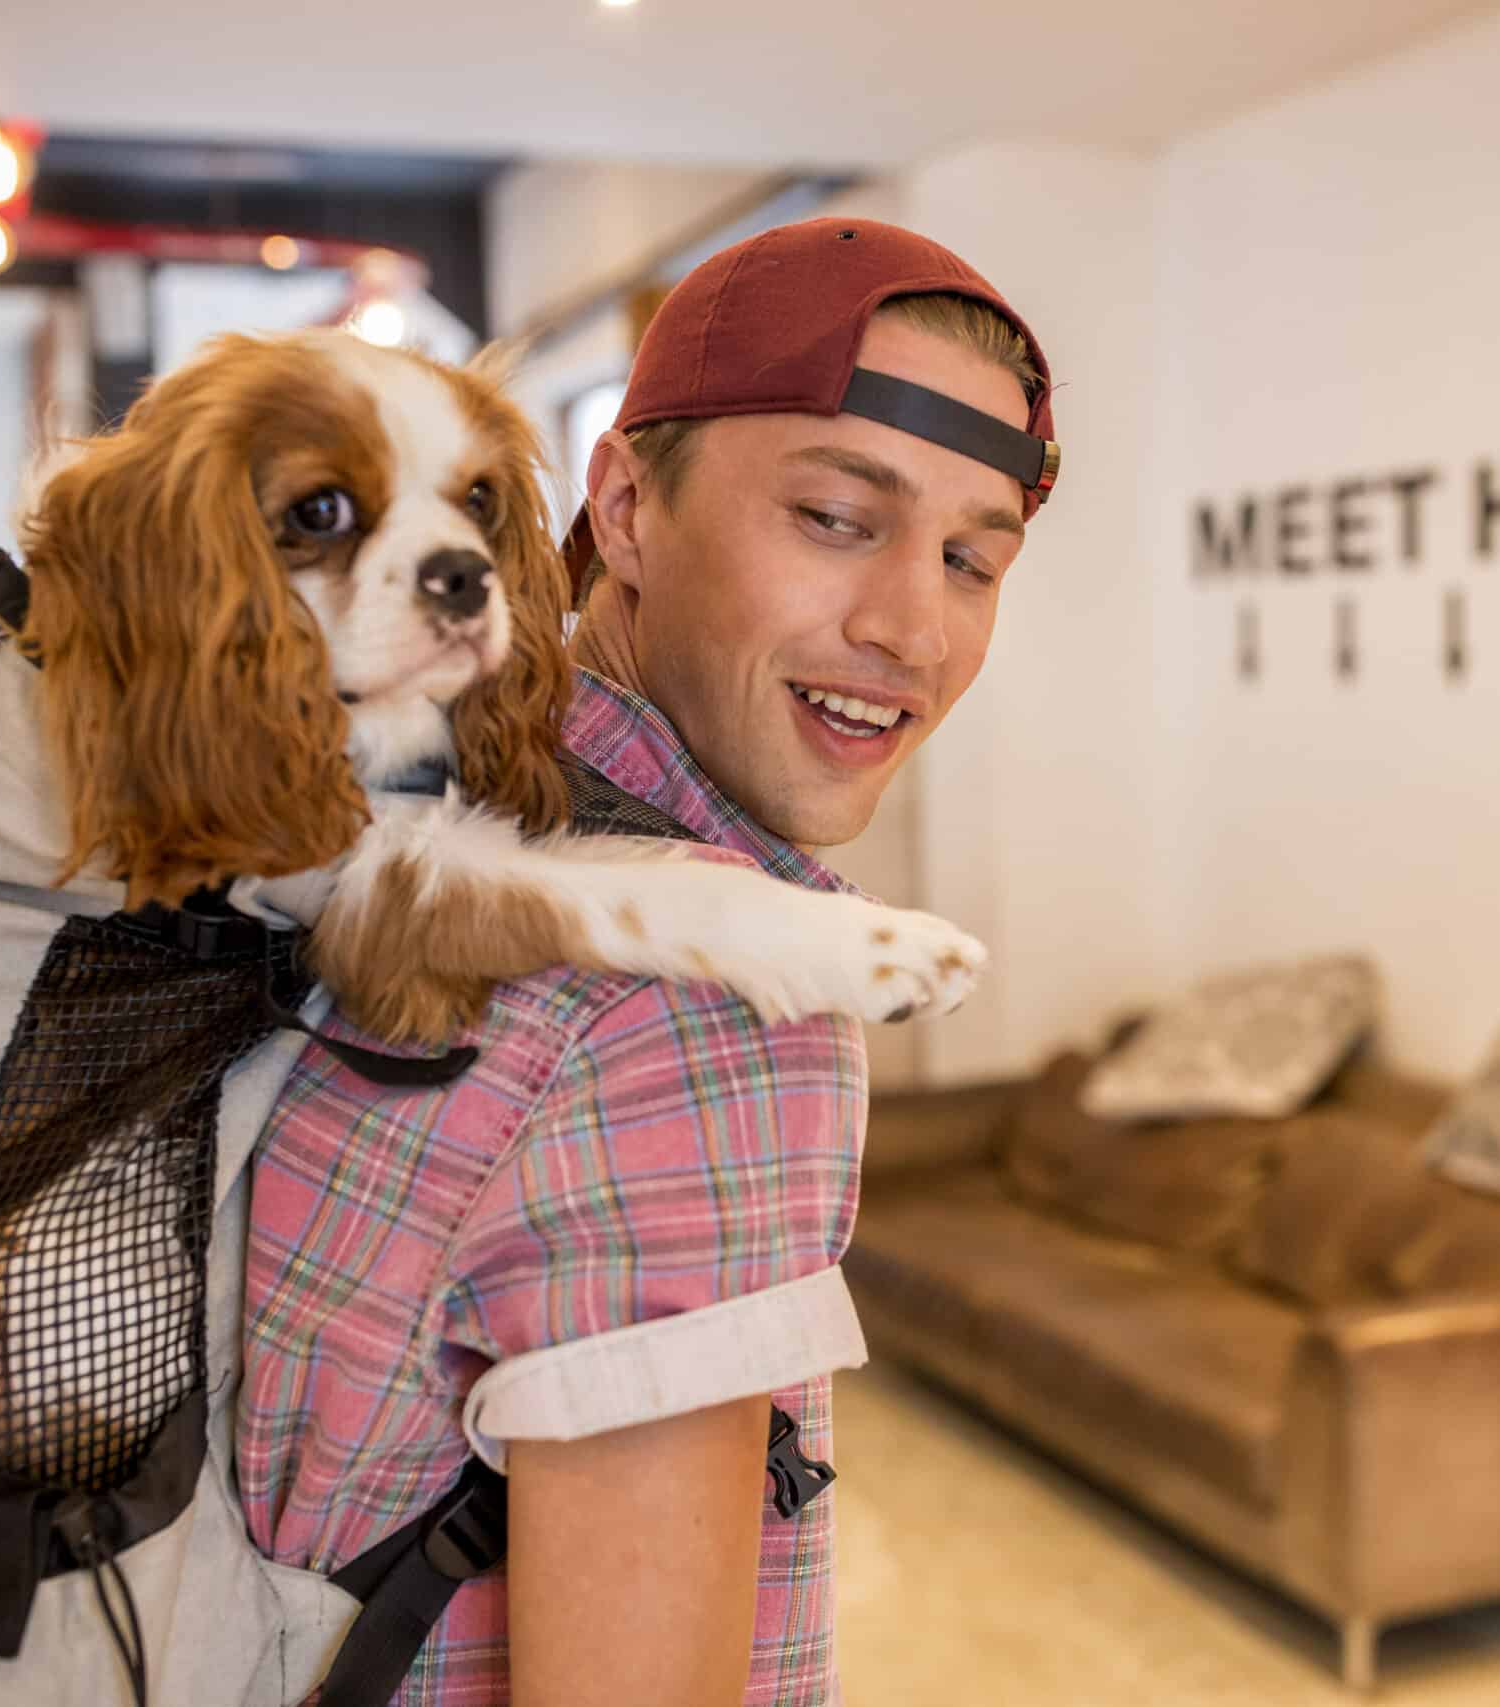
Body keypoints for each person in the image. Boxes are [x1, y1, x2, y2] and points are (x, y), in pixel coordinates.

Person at [238, 216, 1061, 1706]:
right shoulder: (712, 1004)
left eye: (972, 559)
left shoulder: (410, 815)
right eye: (833, 517)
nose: (910, 628)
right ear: (622, 506)